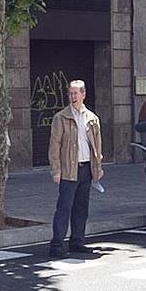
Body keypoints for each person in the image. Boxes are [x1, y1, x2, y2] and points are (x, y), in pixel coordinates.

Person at [47, 79, 103, 257]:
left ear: (83, 94)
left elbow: (97, 146)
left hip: (86, 168)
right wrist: (56, 170)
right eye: (70, 93)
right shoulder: (61, 117)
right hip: (69, 169)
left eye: (76, 93)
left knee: (81, 207)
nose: (73, 97)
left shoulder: (92, 119)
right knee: (64, 207)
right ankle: (56, 245)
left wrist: (98, 168)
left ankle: (77, 241)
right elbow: (54, 145)